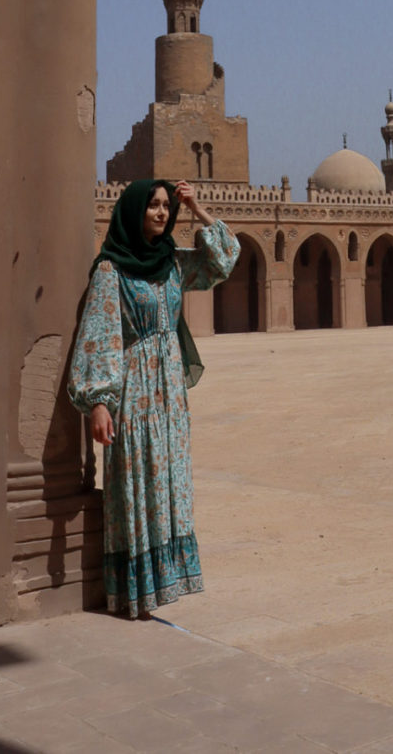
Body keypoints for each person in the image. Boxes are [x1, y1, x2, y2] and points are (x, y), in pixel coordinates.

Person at [68, 177, 238, 617]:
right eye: (153, 206)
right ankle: (134, 591)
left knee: (170, 481)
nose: (162, 213)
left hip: (170, 397)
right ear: (134, 212)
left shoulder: (172, 265)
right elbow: (100, 334)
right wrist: (100, 401)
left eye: (166, 206)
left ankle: (165, 583)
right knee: (137, 479)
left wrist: (197, 209)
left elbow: (223, 260)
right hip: (135, 393)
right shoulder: (111, 270)